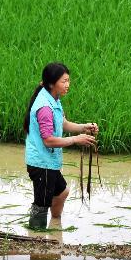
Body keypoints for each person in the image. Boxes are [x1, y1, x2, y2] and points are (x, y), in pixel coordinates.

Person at [23, 62, 99, 229]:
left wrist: (83, 127)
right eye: (64, 81)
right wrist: (75, 139)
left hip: (48, 161)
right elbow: (48, 140)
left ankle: (55, 223)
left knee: (62, 192)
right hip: (41, 163)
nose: (67, 85)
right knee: (41, 205)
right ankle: (37, 237)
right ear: (52, 83)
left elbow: (62, 123)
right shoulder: (44, 107)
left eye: (68, 80)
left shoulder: (53, 99)